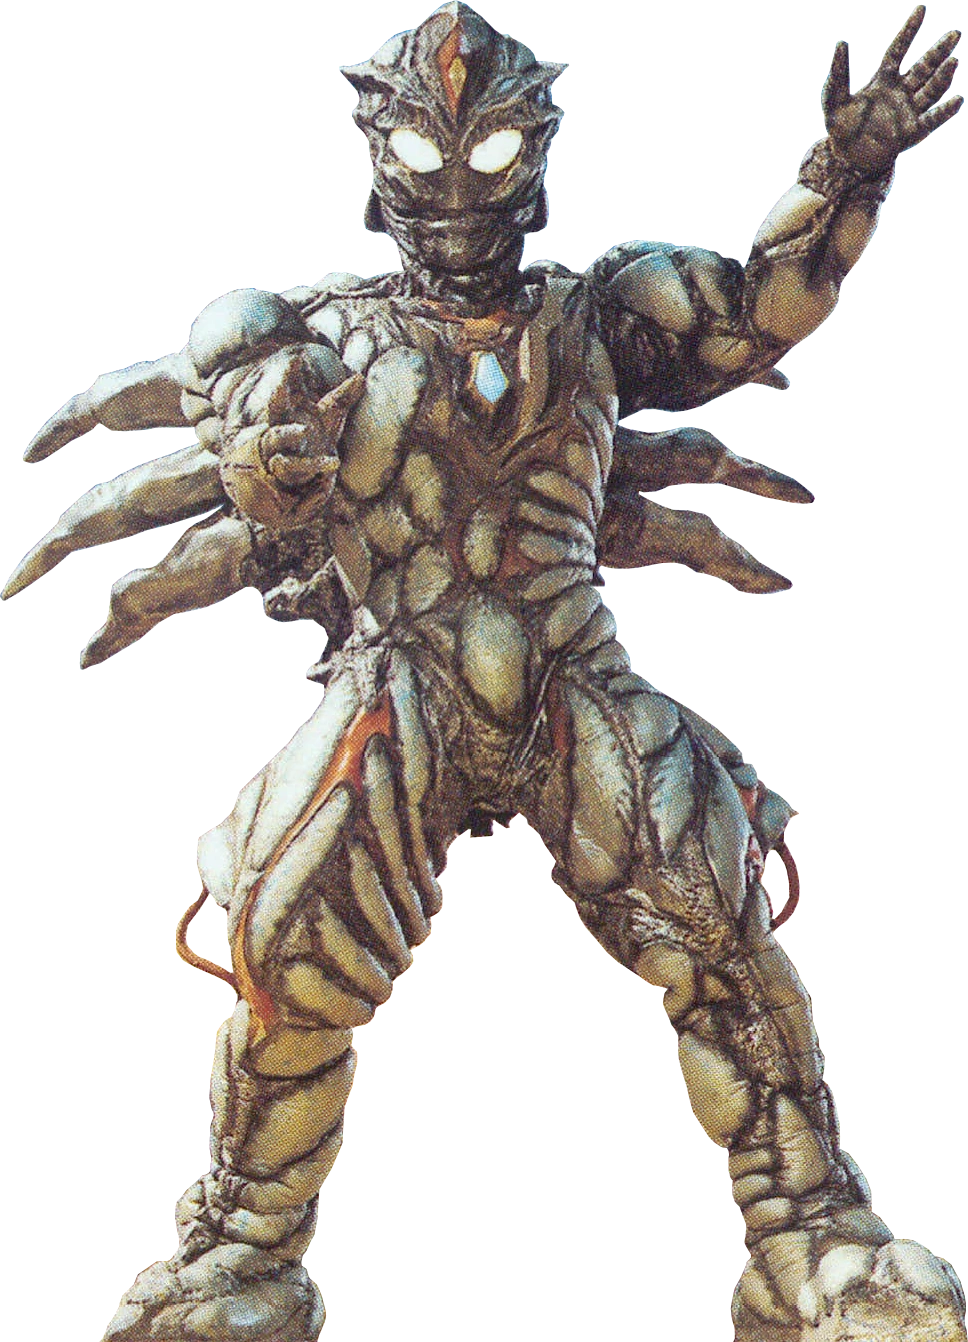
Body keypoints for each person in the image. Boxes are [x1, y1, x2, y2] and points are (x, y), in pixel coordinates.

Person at [4, 5, 964, 1339]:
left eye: (493, 147)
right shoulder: (314, 332)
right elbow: (253, 441)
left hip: (570, 665)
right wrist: (268, 465)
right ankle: (240, 1248)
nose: (457, 184)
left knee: (716, 919)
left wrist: (847, 173)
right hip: (400, 673)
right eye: (422, 149)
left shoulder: (600, 313)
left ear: (537, 150)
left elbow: (756, 312)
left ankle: (812, 1229)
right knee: (290, 934)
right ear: (377, 153)